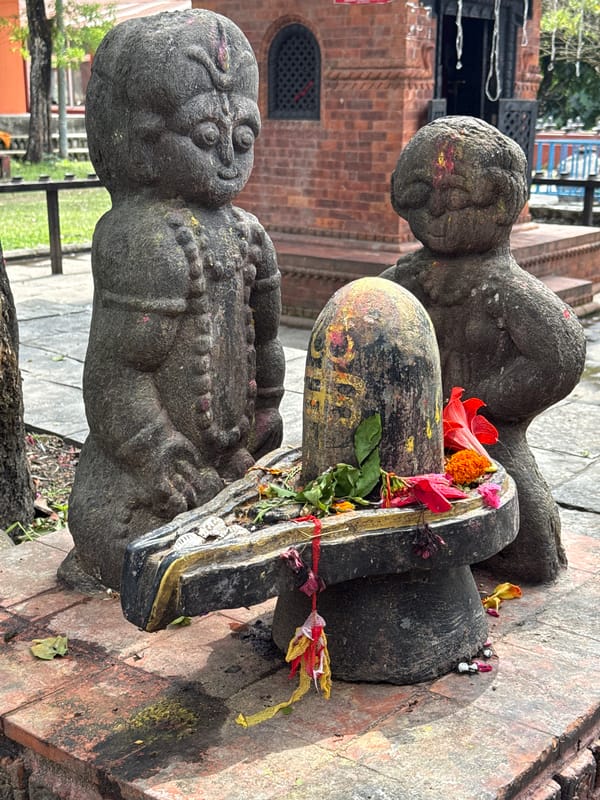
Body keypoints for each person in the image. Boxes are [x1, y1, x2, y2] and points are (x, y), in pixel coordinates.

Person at [63, 10, 285, 590]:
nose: (228, 157)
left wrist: (266, 410)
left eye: (243, 138)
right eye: (206, 138)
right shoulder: (145, 238)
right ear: (145, 145)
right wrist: (158, 453)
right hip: (149, 476)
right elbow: (117, 373)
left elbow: (265, 339)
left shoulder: (249, 234)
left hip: (230, 456)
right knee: (150, 558)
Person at [382, 116, 586, 583]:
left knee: (528, 550)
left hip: (486, 435)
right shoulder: (404, 280)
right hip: (409, 433)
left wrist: (484, 402)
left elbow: (560, 356)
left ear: (500, 202)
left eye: (455, 196)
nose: (437, 209)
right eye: (421, 195)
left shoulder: (506, 290)